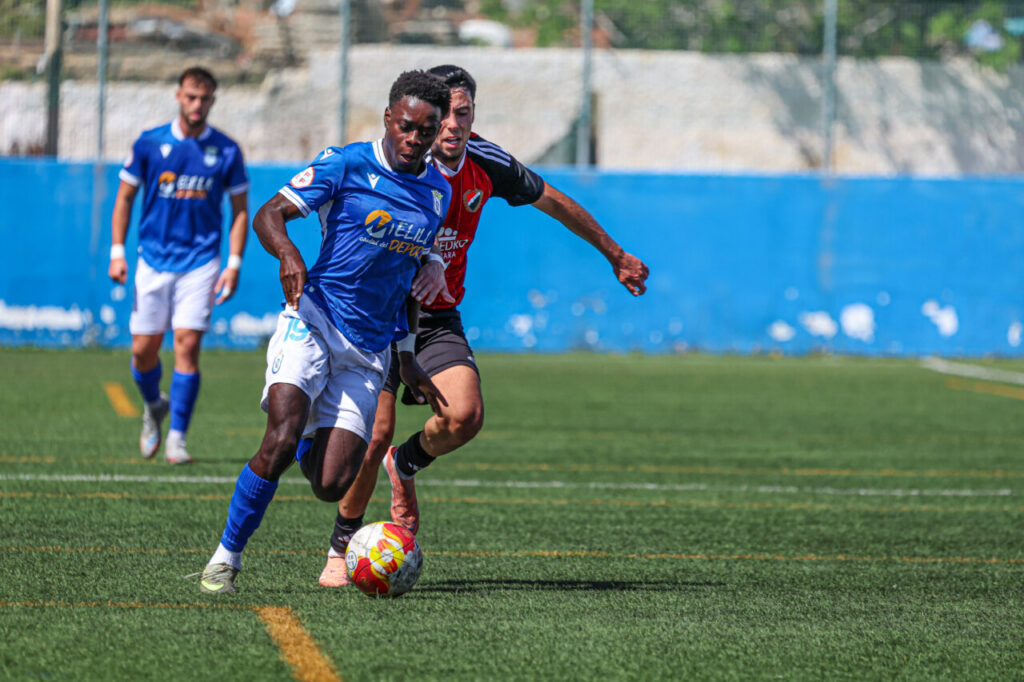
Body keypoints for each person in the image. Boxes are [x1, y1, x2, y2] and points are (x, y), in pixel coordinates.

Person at [317, 64, 650, 587]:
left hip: (437, 316)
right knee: (373, 428)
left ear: (473, 116)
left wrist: (615, 254)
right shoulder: (400, 159)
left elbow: (553, 202)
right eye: (443, 114)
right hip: (380, 314)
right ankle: (342, 546)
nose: (451, 124)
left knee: (465, 416)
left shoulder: (486, 163)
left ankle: (403, 464)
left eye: (463, 113)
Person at [198, 69, 452, 594]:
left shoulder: (435, 192)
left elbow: (405, 278)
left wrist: (406, 353)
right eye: (406, 126)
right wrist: (289, 253)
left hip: (368, 351)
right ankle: (227, 555)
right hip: (312, 319)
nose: (414, 139)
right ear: (388, 117)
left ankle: (315, 429)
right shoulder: (345, 163)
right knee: (281, 433)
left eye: (426, 131)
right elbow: (271, 213)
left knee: (331, 482)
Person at [109, 66, 249, 465]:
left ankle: (177, 440)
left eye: (204, 98)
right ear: (178, 96)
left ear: (213, 101)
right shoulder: (150, 143)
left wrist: (234, 263)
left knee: (187, 344)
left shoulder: (226, 150)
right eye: (190, 96)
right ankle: (154, 405)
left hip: (201, 261)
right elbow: (124, 199)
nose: (197, 105)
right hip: (152, 260)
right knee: (142, 351)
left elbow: (240, 211)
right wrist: (117, 251)